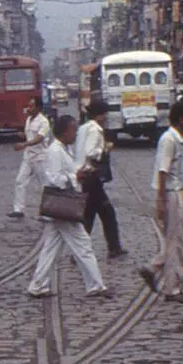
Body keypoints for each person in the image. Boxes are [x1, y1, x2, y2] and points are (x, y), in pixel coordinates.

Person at [27, 115, 109, 299]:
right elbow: (54, 179)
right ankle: (96, 286)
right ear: (65, 131)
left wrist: (79, 173)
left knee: (51, 248)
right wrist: (76, 177)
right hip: (64, 205)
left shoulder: (64, 149)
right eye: (73, 130)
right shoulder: (55, 151)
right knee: (83, 245)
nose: (75, 133)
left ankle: (38, 285)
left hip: (61, 207)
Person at [140, 100, 183, 302]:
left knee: (180, 240)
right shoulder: (169, 140)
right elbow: (162, 172)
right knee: (176, 242)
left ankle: (153, 267)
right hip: (171, 195)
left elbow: (176, 172)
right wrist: (161, 202)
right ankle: (171, 288)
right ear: (181, 119)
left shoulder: (179, 138)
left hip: (178, 192)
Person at [76, 99, 125, 258]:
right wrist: (105, 149)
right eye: (105, 114)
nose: (106, 117)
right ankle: (84, 250)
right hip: (92, 176)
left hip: (84, 176)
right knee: (102, 212)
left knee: (95, 213)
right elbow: (91, 152)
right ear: (100, 115)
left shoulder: (83, 128)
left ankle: (112, 246)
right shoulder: (96, 129)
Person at [9, 98, 51, 218]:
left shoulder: (44, 122)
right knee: (19, 181)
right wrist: (22, 136)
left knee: (44, 185)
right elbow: (29, 135)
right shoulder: (28, 119)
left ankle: (46, 212)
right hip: (28, 157)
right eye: (28, 106)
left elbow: (39, 138)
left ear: (38, 108)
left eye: (31, 106)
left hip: (40, 157)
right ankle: (19, 209)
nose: (28, 108)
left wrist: (24, 144)